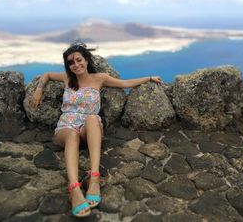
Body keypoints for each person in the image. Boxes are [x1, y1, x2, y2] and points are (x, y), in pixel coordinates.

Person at [30, 41, 162, 218]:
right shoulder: (67, 78)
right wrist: (39, 89)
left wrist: (150, 77)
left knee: (93, 118)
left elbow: (127, 83)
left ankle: (94, 178)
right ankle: (74, 189)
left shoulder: (100, 78)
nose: (76, 65)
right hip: (66, 127)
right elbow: (46, 74)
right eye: (71, 62)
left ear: (86, 59)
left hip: (89, 129)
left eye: (79, 60)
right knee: (71, 134)